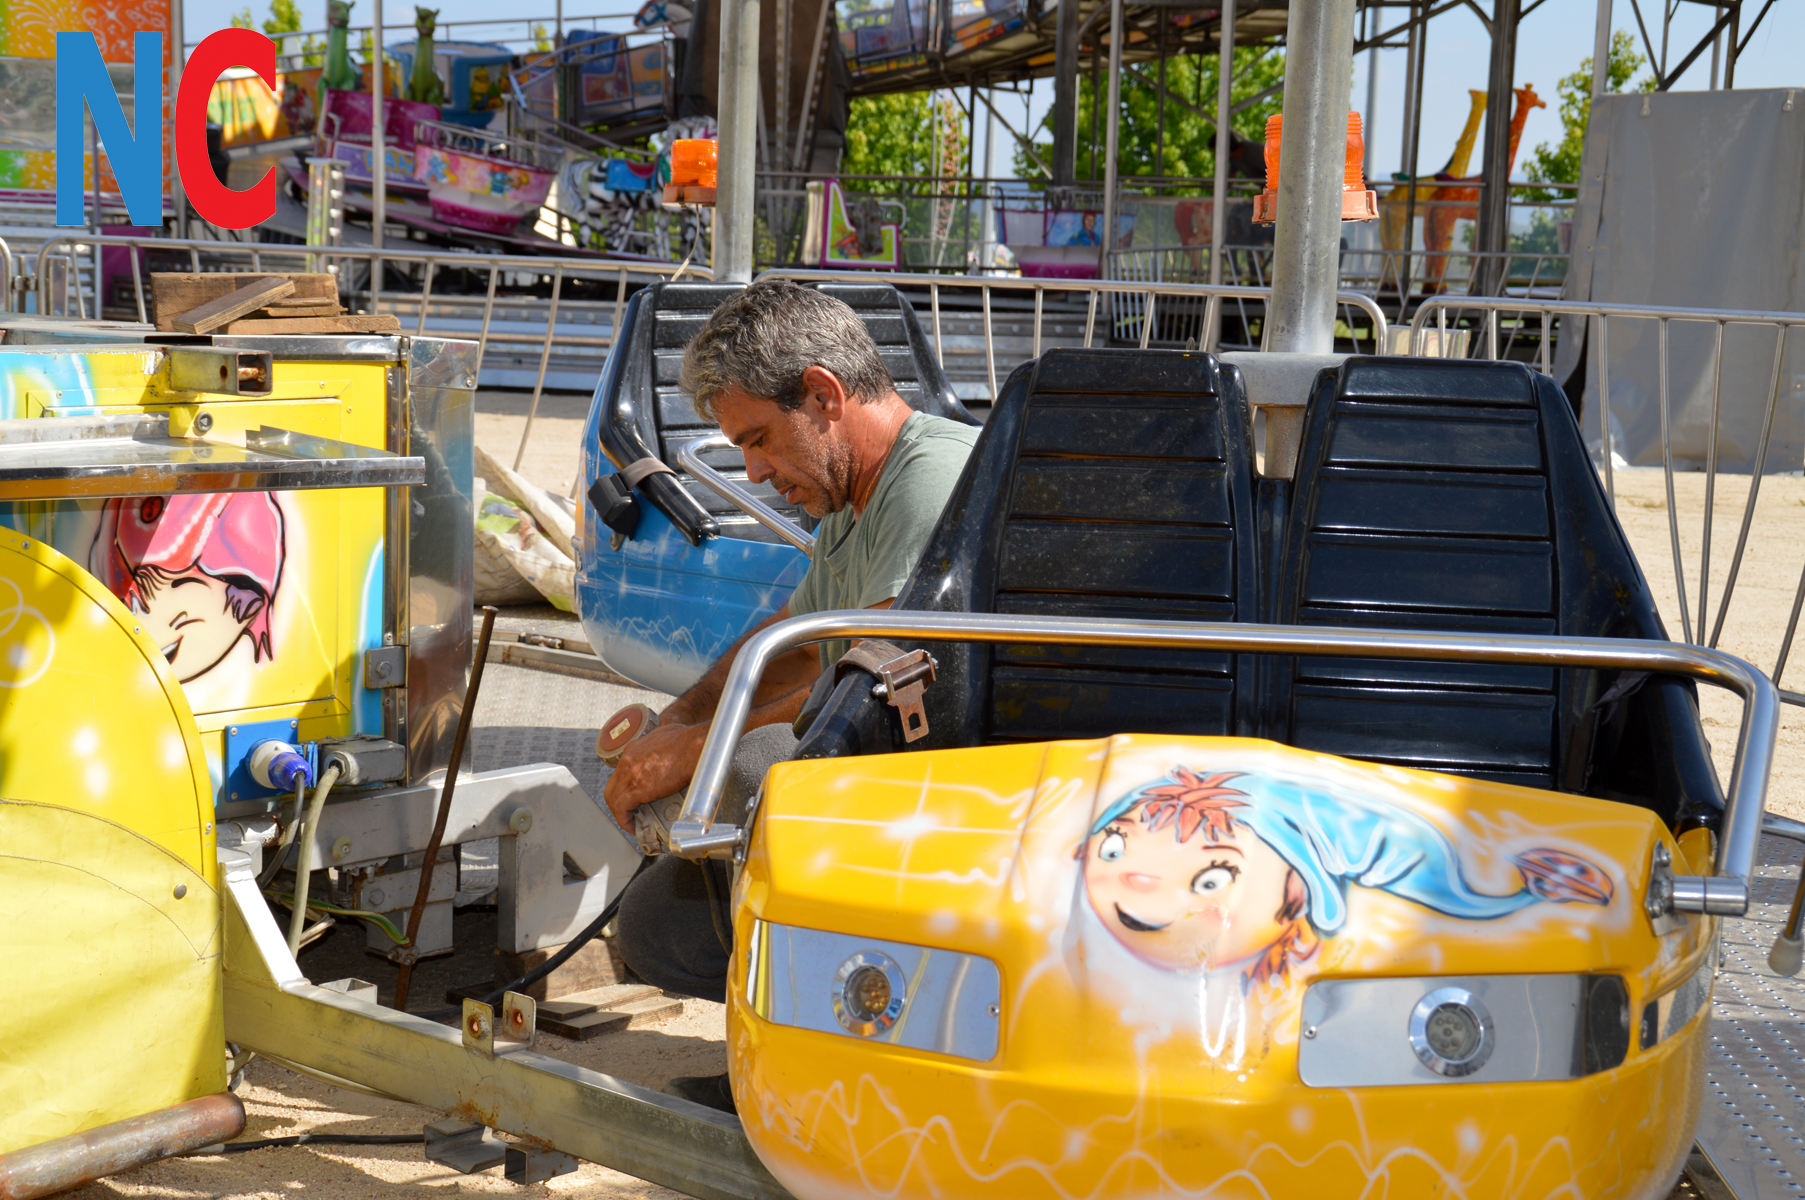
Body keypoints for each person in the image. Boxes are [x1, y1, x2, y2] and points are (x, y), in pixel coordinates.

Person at [600, 279, 979, 1110]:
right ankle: (802, 1059)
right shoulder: (851, 499)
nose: (754, 470)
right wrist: (682, 717)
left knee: (760, 768)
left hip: (957, 802)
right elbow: (790, 646)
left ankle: (831, 1078)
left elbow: (876, 669)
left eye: (760, 439)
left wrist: (698, 751)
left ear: (823, 394)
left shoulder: (930, 477)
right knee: (659, 926)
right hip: (900, 792)